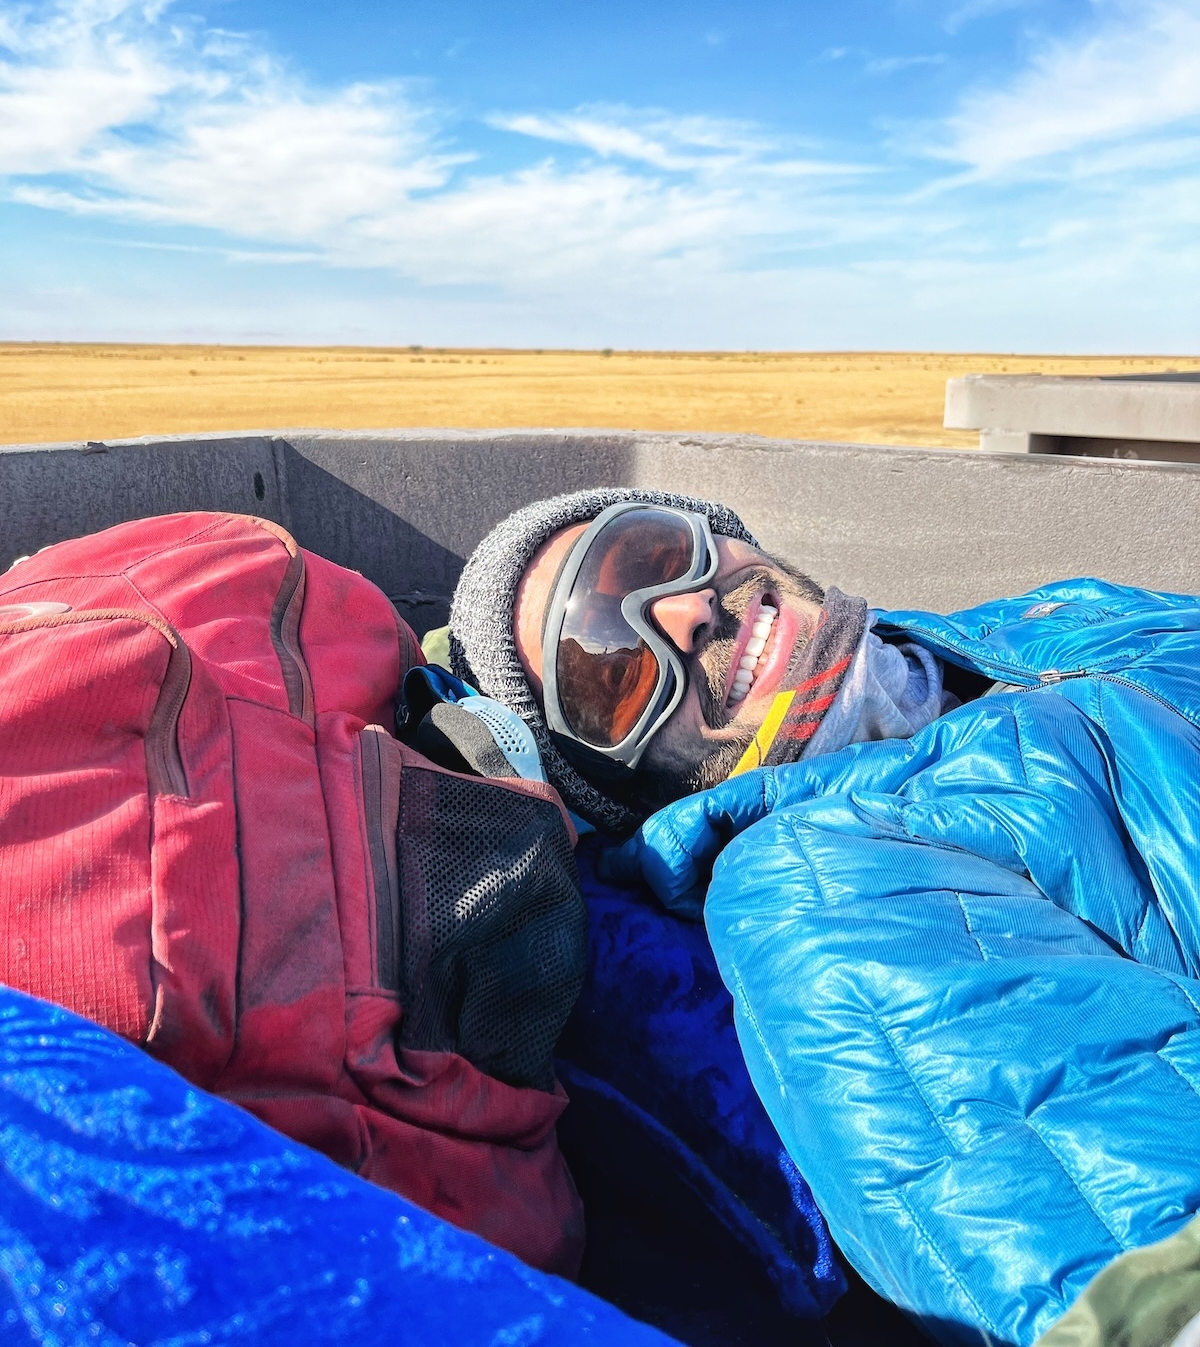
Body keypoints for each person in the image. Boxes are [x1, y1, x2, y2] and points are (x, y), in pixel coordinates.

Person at [447, 486, 1200, 1347]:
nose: (686, 612)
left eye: (653, 556)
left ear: (723, 536)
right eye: (612, 672)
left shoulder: (1048, 616)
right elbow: (1106, 1222)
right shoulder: (815, 881)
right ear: (623, 783)